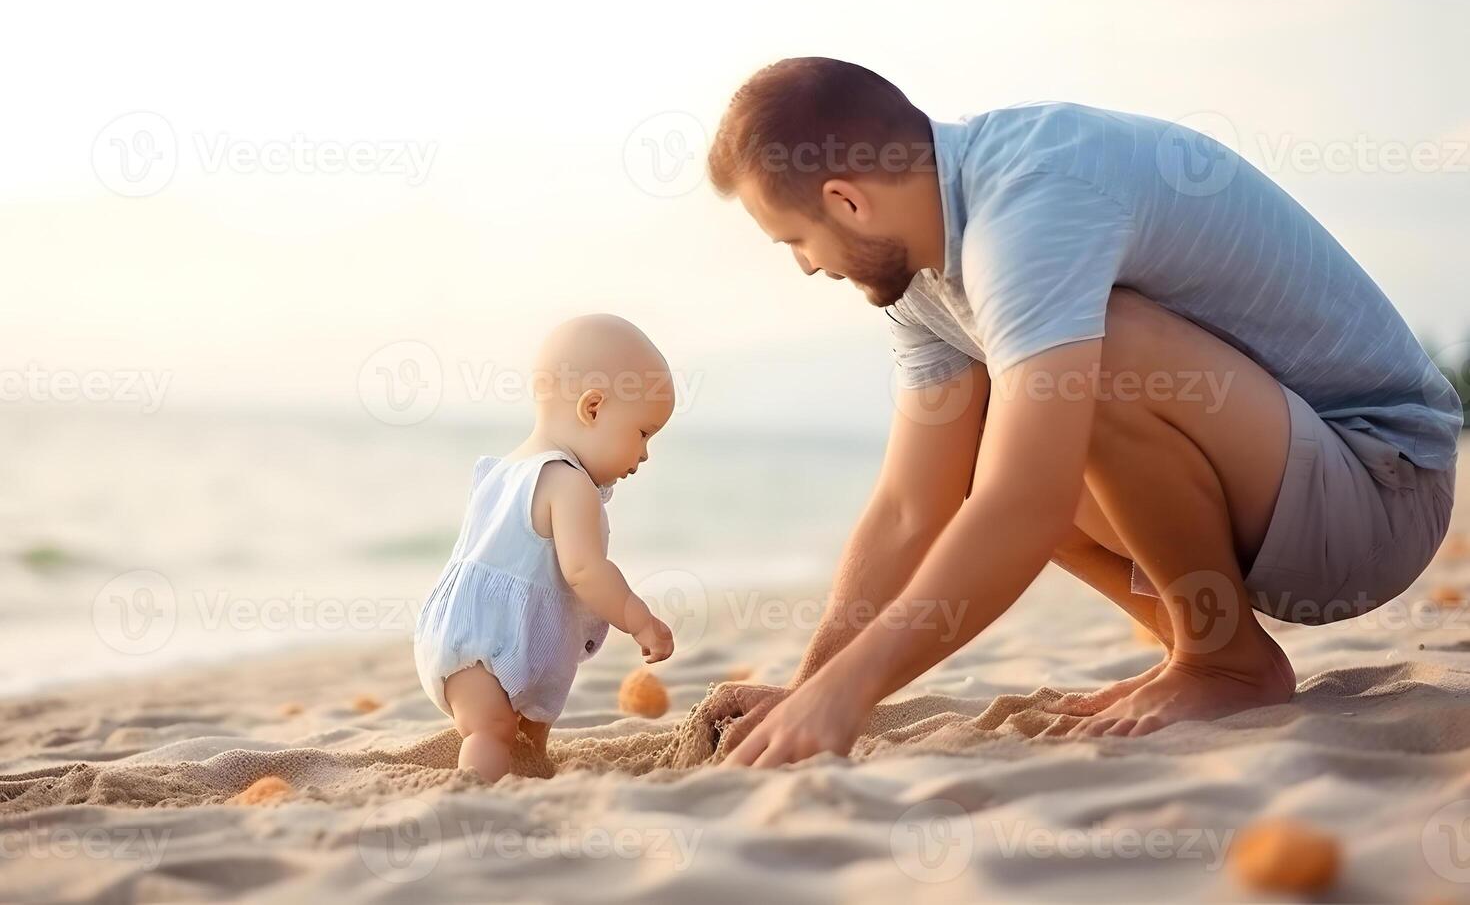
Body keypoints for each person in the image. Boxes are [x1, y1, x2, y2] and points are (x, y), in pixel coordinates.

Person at [702, 57, 1461, 768]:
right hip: (1284, 494)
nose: (806, 265)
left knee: (1082, 375)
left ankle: (1220, 659)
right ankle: (1208, 647)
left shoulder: (1029, 207)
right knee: (989, 424)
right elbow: (910, 507)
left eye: (796, 240)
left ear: (846, 201)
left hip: (1381, 493)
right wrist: (813, 687)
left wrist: (853, 692)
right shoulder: (921, 272)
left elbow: (1025, 502)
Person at [413, 314, 676, 782]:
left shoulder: (503, 470)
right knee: (491, 729)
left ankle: (529, 773)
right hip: (482, 644)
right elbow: (585, 572)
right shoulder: (566, 482)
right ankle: (473, 796)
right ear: (592, 408)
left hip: (471, 630)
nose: (645, 454)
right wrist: (640, 621)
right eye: (643, 433)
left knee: (527, 733)